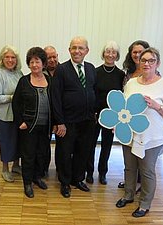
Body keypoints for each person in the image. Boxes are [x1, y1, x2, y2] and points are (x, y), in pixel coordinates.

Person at [115, 47, 163, 217]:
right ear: (139, 62)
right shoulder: (131, 83)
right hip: (130, 133)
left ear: (157, 63)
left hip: (152, 137)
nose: (147, 63)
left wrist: (156, 106)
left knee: (147, 171)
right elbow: (124, 106)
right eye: (144, 60)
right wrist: (117, 122)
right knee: (129, 168)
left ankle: (144, 203)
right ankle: (128, 195)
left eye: (151, 60)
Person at [51, 36, 96, 198]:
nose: (77, 51)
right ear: (69, 50)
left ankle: (77, 179)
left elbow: (93, 92)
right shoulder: (61, 70)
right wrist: (59, 122)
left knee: (82, 152)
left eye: (81, 48)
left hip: (88, 121)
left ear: (86, 51)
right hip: (68, 122)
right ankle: (65, 182)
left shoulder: (91, 69)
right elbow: (55, 97)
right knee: (65, 152)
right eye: (74, 48)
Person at [12, 47, 52, 198]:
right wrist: (20, 122)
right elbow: (16, 104)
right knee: (28, 156)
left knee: (42, 154)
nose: (35, 65)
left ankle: (37, 177)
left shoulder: (50, 80)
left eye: (38, 61)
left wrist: (55, 123)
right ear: (29, 64)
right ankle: (27, 183)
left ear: (43, 63)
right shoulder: (24, 81)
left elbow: (55, 103)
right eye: (32, 61)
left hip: (45, 126)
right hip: (28, 126)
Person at [86, 41, 125, 185]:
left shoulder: (121, 74)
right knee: (90, 144)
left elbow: (121, 96)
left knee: (107, 145)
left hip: (112, 116)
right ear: (103, 54)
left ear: (117, 55)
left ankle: (103, 173)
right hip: (96, 115)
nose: (110, 54)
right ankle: (89, 172)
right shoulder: (95, 72)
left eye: (113, 52)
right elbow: (92, 93)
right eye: (108, 51)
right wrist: (93, 112)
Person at [118, 40, 150, 189]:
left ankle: (139, 183)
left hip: (143, 120)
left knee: (141, 155)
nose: (137, 55)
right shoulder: (128, 74)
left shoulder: (153, 74)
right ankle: (129, 182)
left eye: (140, 52)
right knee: (129, 156)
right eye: (134, 52)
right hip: (128, 120)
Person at [0, 45, 23, 182]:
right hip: (4, 115)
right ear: (2, 59)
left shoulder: (19, 73)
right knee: (6, 142)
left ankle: (16, 165)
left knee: (18, 141)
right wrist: (13, 97)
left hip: (18, 114)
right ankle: (5, 168)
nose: (10, 60)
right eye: (7, 57)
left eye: (13, 57)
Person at [43, 45, 60, 176]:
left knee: (62, 146)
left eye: (55, 56)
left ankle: (61, 169)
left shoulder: (64, 70)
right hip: (46, 115)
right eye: (49, 57)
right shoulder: (39, 74)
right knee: (44, 144)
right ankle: (43, 169)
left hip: (61, 115)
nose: (52, 60)